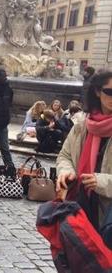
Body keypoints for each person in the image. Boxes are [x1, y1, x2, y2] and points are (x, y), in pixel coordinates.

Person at [56, 69, 112, 230]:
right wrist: (66, 171)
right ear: (97, 92)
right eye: (110, 92)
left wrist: (101, 182)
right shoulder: (82, 125)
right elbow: (65, 155)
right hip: (80, 205)